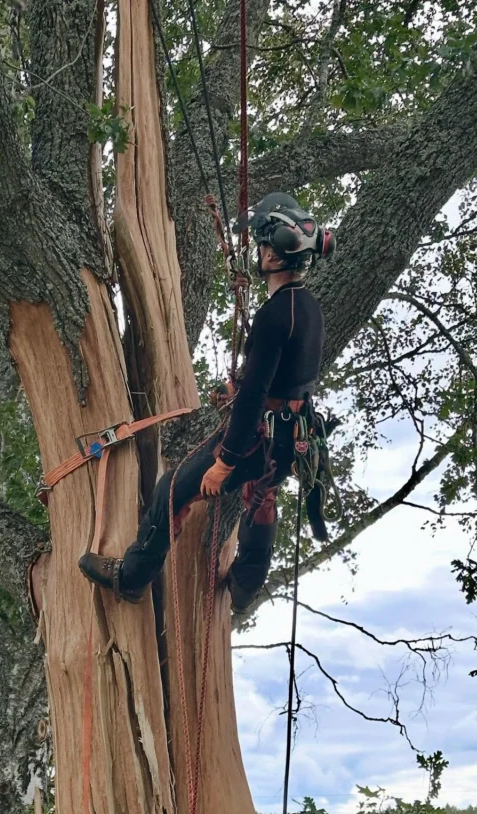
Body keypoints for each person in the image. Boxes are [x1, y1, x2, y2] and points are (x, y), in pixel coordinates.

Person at [79, 192, 335, 612]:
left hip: (260, 436)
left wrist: (226, 461)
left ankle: (131, 577)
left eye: (263, 245)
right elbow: (286, 377)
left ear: (274, 257)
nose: (259, 251)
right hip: (292, 435)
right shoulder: (306, 307)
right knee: (262, 495)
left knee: (171, 488)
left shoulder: (275, 316)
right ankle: (246, 587)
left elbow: (254, 396)